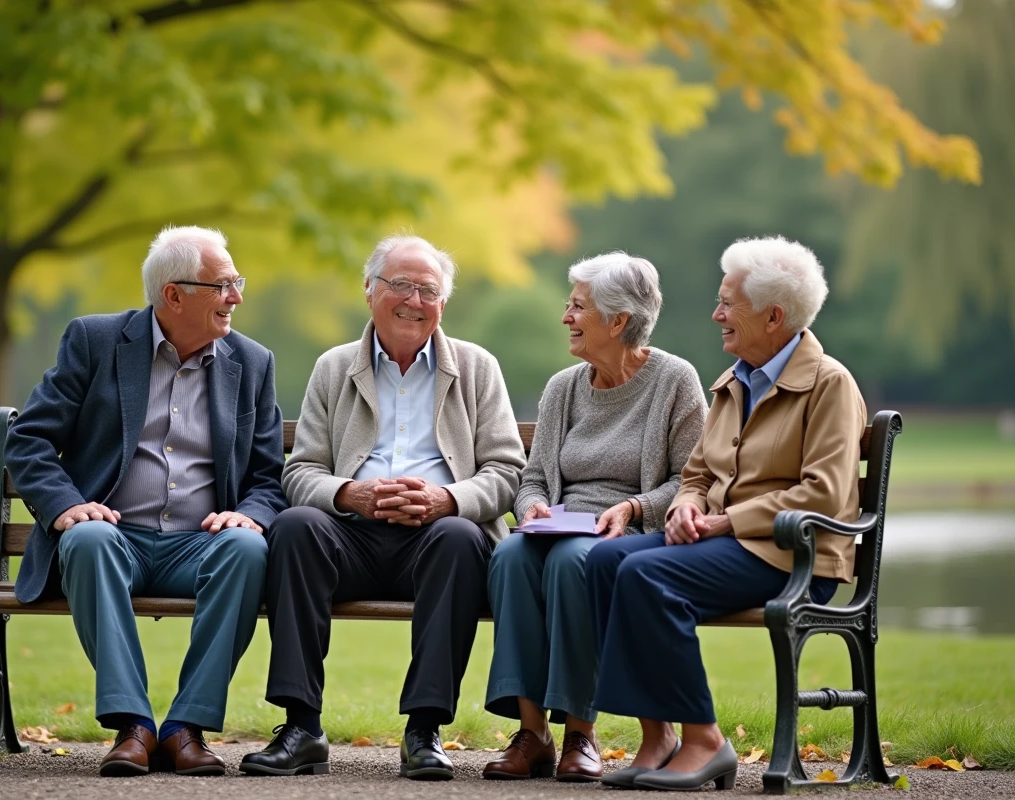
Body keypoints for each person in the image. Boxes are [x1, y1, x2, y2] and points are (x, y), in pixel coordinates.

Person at [240, 234, 526, 781]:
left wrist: (449, 500)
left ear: (443, 303)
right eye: (400, 285)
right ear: (370, 291)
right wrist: (351, 494)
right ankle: (302, 727)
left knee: (462, 537)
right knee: (296, 527)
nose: (413, 300)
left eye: (428, 290)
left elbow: (507, 473)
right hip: (350, 536)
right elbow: (299, 473)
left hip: (438, 540)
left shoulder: (476, 367)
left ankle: (424, 731)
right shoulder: (334, 367)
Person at [5, 226, 287, 778]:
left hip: (199, 546)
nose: (237, 297)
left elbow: (268, 476)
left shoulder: (251, 362)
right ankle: (133, 726)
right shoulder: (95, 340)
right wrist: (64, 504)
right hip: (115, 538)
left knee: (247, 550)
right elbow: (28, 438)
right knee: (85, 538)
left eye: (237, 283)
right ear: (174, 295)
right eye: (223, 285)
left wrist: (250, 514)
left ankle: (186, 728)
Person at [586, 235, 866, 791]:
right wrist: (687, 507)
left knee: (647, 573)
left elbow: (824, 495)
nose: (716, 315)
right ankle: (658, 735)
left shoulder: (829, 384)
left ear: (773, 316)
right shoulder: (733, 382)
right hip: (727, 545)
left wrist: (724, 521)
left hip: (795, 556)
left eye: (727, 304)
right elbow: (697, 474)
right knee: (605, 561)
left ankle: (705, 739)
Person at [482, 253, 706, 782]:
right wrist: (530, 507)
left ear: (618, 320)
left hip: (625, 531)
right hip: (557, 524)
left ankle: (581, 731)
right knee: (511, 554)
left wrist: (633, 506)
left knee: (570, 561)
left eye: (577, 306)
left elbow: (692, 480)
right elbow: (533, 475)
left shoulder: (674, 380)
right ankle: (533, 734)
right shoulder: (565, 386)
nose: (566, 317)